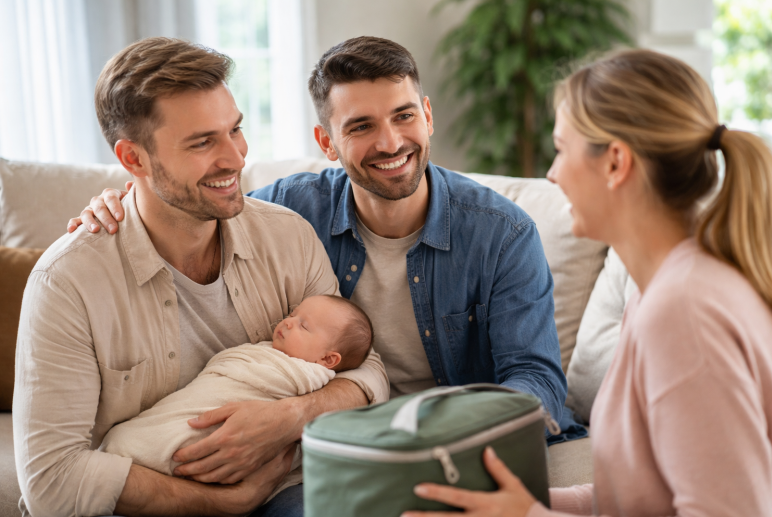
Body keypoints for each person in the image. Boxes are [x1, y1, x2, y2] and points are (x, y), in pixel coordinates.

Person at [72, 36, 575, 441]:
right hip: (331, 443)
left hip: (453, 442)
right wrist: (122, 202)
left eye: (404, 115)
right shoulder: (291, 212)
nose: (391, 142)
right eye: (361, 126)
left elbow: (538, 380)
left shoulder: (502, 233)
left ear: (427, 114)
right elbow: (197, 201)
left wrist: (445, 433)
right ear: (326, 144)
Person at [398, 49, 772, 517]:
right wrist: (530, 507)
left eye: (562, 149)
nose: (552, 173)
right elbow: (646, 496)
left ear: (614, 163)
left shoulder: (684, 311)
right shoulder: (670, 288)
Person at [14, 38, 389, 517]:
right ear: (134, 159)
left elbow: (366, 373)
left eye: (235, 130)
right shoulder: (67, 281)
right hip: (121, 514)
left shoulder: (286, 236)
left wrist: (291, 416)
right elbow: (51, 479)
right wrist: (222, 501)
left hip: (270, 497)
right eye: (202, 142)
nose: (235, 158)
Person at [101, 295, 373, 517]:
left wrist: (292, 415)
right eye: (293, 314)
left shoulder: (309, 376)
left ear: (328, 360)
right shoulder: (263, 354)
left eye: (303, 325)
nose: (288, 321)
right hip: (105, 480)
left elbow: (369, 377)